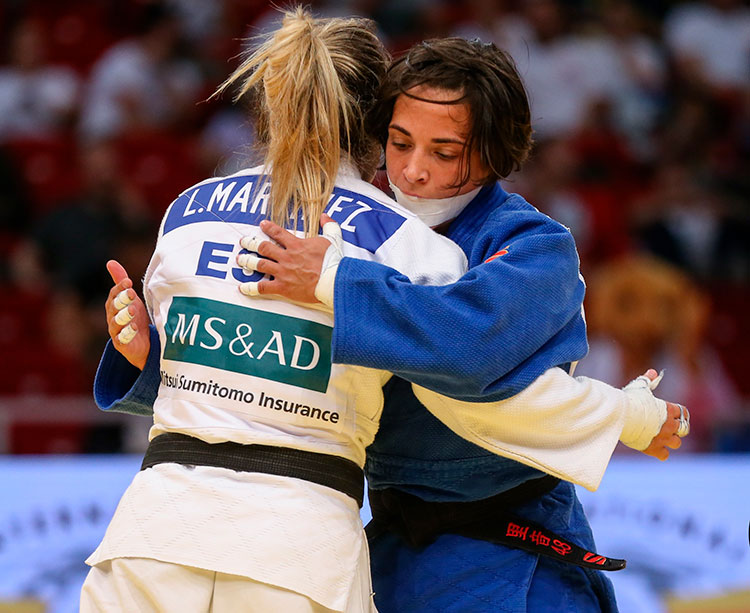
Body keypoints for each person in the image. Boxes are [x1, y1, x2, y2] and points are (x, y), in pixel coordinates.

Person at [94, 35, 688, 613]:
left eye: (444, 153)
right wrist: (156, 362)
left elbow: (467, 362)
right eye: (400, 143)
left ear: (497, 151)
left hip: (507, 547)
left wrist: (333, 282)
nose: (412, 171)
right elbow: (278, 377)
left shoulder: (532, 248)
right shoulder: (368, 228)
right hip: (392, 545)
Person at [81, 9, 474, 612]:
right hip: (298, 547)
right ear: (380, 120)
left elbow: (199, 377)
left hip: (152, 534)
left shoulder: (189, 210)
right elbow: (461, 388)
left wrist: (147, 361)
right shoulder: (417, 250)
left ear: (267, 110)